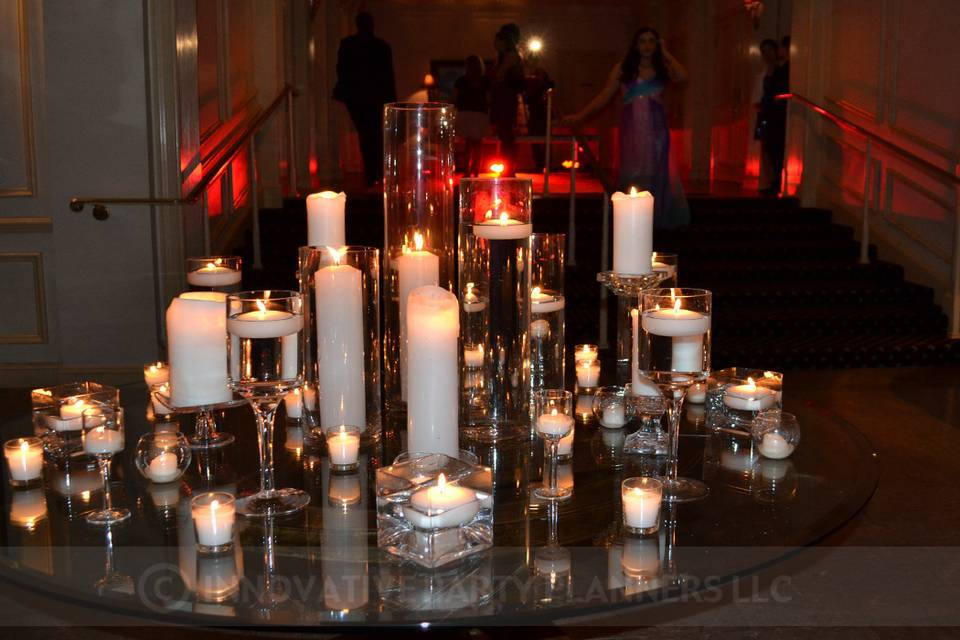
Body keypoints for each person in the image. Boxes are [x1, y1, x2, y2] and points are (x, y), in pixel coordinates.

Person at [564, 27, 689, 229]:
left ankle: (654, 220)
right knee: (633, 171)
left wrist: (665, 52)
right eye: (642, 41)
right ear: (635, 45)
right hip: (632, 128)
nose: (647, 45)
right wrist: (581, 115)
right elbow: (604, 96)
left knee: (655, 170)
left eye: (651, 41)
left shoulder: (663, 68)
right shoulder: (624, 69)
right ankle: (631, 221)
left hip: (656, 129)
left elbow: (683, 76)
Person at [333, 11, 396, 187]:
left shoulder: (348, 44)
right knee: (375, 135)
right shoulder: (381, 46)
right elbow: (388, 77)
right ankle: (375, 172)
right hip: (374, 97)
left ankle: (372, 173)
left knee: (367, 135)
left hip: (357, 97)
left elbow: (342, 70)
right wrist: (391, 100)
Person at [489, 23, 526, 177]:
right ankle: (509, 168)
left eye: (498, 41)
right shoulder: (506, 56)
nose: (494, 44)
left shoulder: (510, 56)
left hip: (506, 100)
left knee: (507, 136)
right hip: (503, 100)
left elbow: (499, 76)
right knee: (505, 136)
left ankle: (509, 169)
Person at [756, 38, 789, 196]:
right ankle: (770, 181)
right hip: (766, 111)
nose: (767, 54)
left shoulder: (781, 68)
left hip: (775, 112)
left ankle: (776, 183)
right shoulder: (766, 69)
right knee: (767, 147)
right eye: (764, 51)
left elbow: (776, 89)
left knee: (775, 146)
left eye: (769, 50)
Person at [454, 55, 490, 177]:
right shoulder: (485, 80)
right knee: (478, 144)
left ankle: (467, 171)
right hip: (480, 113)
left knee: (468, 144)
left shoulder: (461, 80)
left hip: (465, 113)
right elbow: (489, 98)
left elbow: (455, 97)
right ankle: (476, 171)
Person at [524, 49, 555, 173]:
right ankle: (539, 165)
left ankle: (546, 165)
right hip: (535, 115)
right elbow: (528, 99)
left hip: (544, 115)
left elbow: (550, 91)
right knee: (535, 142)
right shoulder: (532, 86)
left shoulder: (547, 86)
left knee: (546, 142)